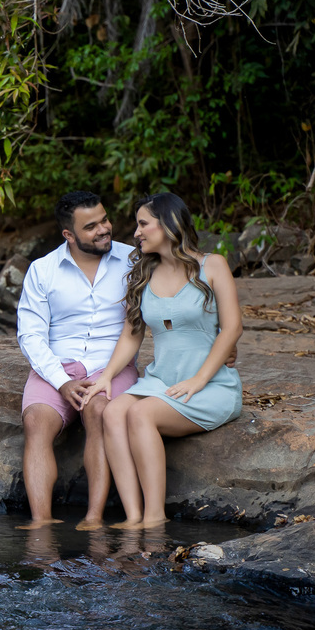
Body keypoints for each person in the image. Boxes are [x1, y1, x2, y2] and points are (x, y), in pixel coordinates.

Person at [81, 192, 243, 529]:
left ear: (168, 224)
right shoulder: (144, 273)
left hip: (210, 384)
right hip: (161, 379)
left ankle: (155, 518)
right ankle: (133, 516)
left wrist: (198, 380)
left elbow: (232, 329)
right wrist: (108, 376)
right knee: (112, 412)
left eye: (143, 224)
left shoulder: (212, 265)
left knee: (140, 413)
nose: (136, 233)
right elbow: (132, 334)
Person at [15, 191, 139, 529]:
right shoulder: (43, 270)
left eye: (104, 219)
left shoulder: (133, 260)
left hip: (111, 364)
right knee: (36, 422)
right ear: (68, 235)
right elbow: (30, 335)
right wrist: (62, 381)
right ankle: (41, 523)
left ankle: (93, 518)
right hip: (58, 365)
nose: (104, 229)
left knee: (100, 413)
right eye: (91, 226)